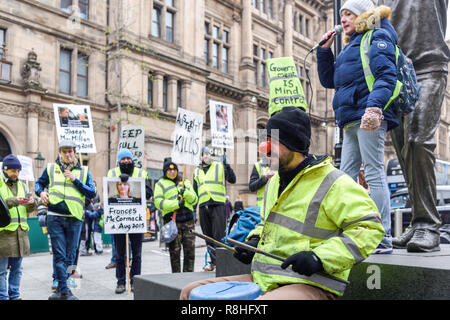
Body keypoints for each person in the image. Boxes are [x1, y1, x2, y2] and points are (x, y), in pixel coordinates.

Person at [180, 107, 385, 300]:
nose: (265, 149)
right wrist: (252, 242)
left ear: (292, 143)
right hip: (267, 277)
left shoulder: (334, 182)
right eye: (265, 141)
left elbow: (370, 227)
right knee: (191, 292)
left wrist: (319, 257)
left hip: (313, 283)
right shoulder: (274, 182)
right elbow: (267, 224)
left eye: (271, 142)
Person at [316, 0, 398, 254]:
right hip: (350, 119)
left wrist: (374, 109)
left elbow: (387, 76)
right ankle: (352, 229)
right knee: (346, 178)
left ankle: (382, 238)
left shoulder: (377, 37)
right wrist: (323, 51)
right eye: (341, 14)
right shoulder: (349, 46)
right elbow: (330, 80)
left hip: (368, 116)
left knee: (373, 174)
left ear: (363, 15)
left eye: (348, 14)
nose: (343, 19)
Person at [376, 0, 450, 252]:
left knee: (418, 141)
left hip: (428, 66)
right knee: (403, 149)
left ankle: (429, 225)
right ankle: (418, 221)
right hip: (394, 71)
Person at [35, 140, 96, 300]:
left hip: (75, 218)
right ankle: (65, 291)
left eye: (70, 151)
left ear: (75, 152)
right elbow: (38, 184)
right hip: (55, 217)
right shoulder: (51, 168)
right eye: (64, 151)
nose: (68, 154)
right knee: (59, 254)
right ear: (60, 153)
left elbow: (92, 193)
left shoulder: (84, 171)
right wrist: (41, 193)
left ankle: (59, 292)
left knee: (70, 255)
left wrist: (75, 180)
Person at [107, 148, 152, 294]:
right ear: (119, 161)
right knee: (120, 254)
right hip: (119, 220)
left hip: (136, 220)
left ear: (132, 160)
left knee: (137, 254)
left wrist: (133, 183)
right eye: (123, 159)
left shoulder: (141, 173)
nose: (126, 161)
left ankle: (135, 282)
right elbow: (109, 191)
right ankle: (121, 282)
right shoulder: (111, 173)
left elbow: (149, 193)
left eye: (128, 159)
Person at [193, 147, 236, 271]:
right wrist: (193, 210)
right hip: (203, 206)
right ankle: (212, 262)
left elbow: (233, 180)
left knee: (219, 236)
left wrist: (227, 165)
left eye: (209, 154)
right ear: (201, 157)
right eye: (204, 154)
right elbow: (195, 192)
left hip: (217, 204)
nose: (207, 156)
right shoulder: (196, 171)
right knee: (207, 236)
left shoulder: (219, 166)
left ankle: (222, 263)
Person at [0, 155, 37, 300]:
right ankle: (3, 297)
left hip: (20, 234)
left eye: (17, 170)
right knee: (2, 271)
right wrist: (14, 201)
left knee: (17, 269)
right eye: (12, 170)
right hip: (4, 235)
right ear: (4, 170)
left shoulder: (22, 185)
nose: (15, 173)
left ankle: (14, 296)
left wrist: (31, 203)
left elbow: (27, 211)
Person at [154, 157, 198, 273]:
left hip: (188, 222)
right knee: (175, 253)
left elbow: (194, 200)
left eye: (174, 170)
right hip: (172, 222)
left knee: (190, 253)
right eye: (169, 170)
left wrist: (186, 193)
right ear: (165, 172)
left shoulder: (185, 182)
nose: (172, 172)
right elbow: (159, 203)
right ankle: (176, 278)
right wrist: (176, 204)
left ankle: (188, 278)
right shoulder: (160, 184)